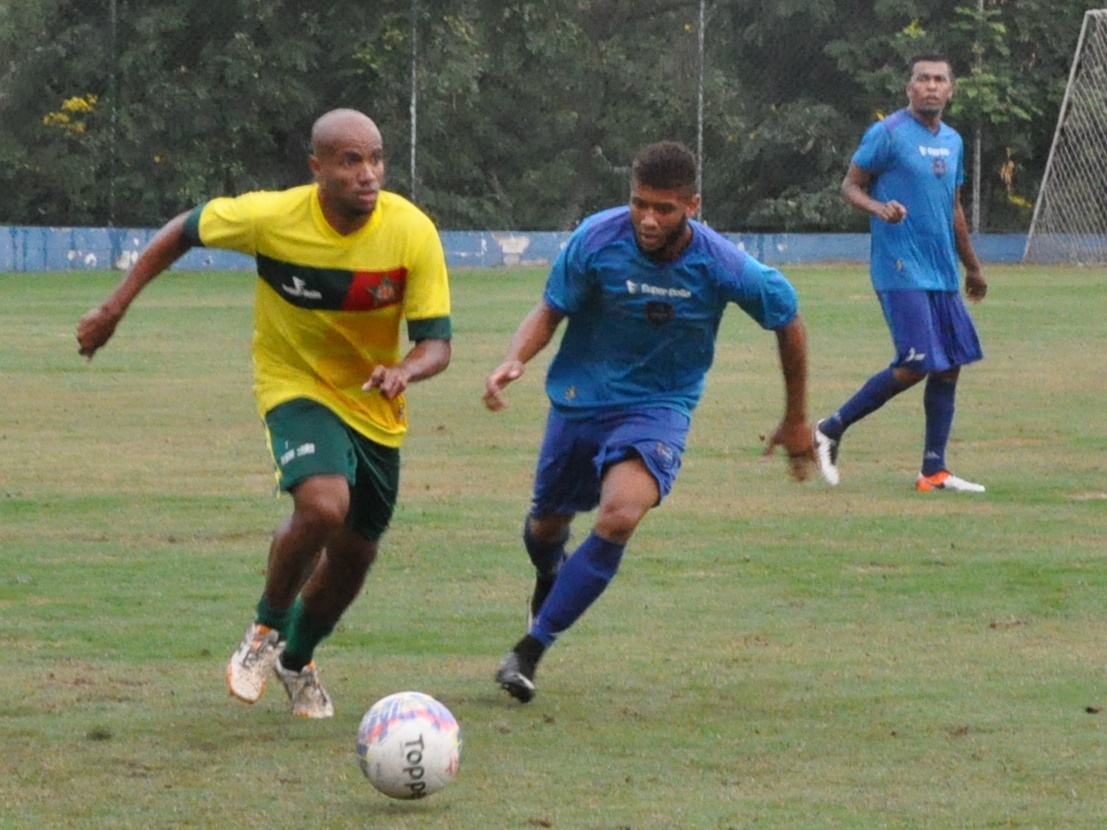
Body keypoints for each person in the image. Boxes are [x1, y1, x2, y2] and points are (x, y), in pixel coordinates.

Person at [76, 109, 452, 718]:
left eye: (376, 158)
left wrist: (405, 370)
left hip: (374, 403)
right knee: (324, 504)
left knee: (356, 555)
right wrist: (114, 307)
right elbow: (185, 230)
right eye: (350, 160)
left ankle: (295, 660)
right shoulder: (272, 218)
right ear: (317, 168)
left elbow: (438, 342)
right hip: (294, 383)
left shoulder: (412, 232)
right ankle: (264, 629)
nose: (368, 173)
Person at [482, 140, 814, 703]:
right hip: (579, 401)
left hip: (658, 407)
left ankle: (530, 649)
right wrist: (517, 356)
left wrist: (796, 418)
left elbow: (788, 317)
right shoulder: (595, 238)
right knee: (544, 529)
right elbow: (550, 308)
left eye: (665, 208)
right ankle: (551, 575)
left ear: (693, 204)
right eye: (639, 204)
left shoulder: (722, 263)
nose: (649, 219)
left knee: (620, 515)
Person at [812, 53, 988, 493]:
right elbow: (851, 185)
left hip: (942, 271)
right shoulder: (887, 133)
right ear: (909, 88)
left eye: (940, 79)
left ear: (951, 90)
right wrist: (878, 208)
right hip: (900, 267)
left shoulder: (953, 141)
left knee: (950, 366)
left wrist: (973, 267)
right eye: (923, 79)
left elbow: (954, 208)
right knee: (916, 362)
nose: (931, 86)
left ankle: (934, 471)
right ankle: (831, 427)